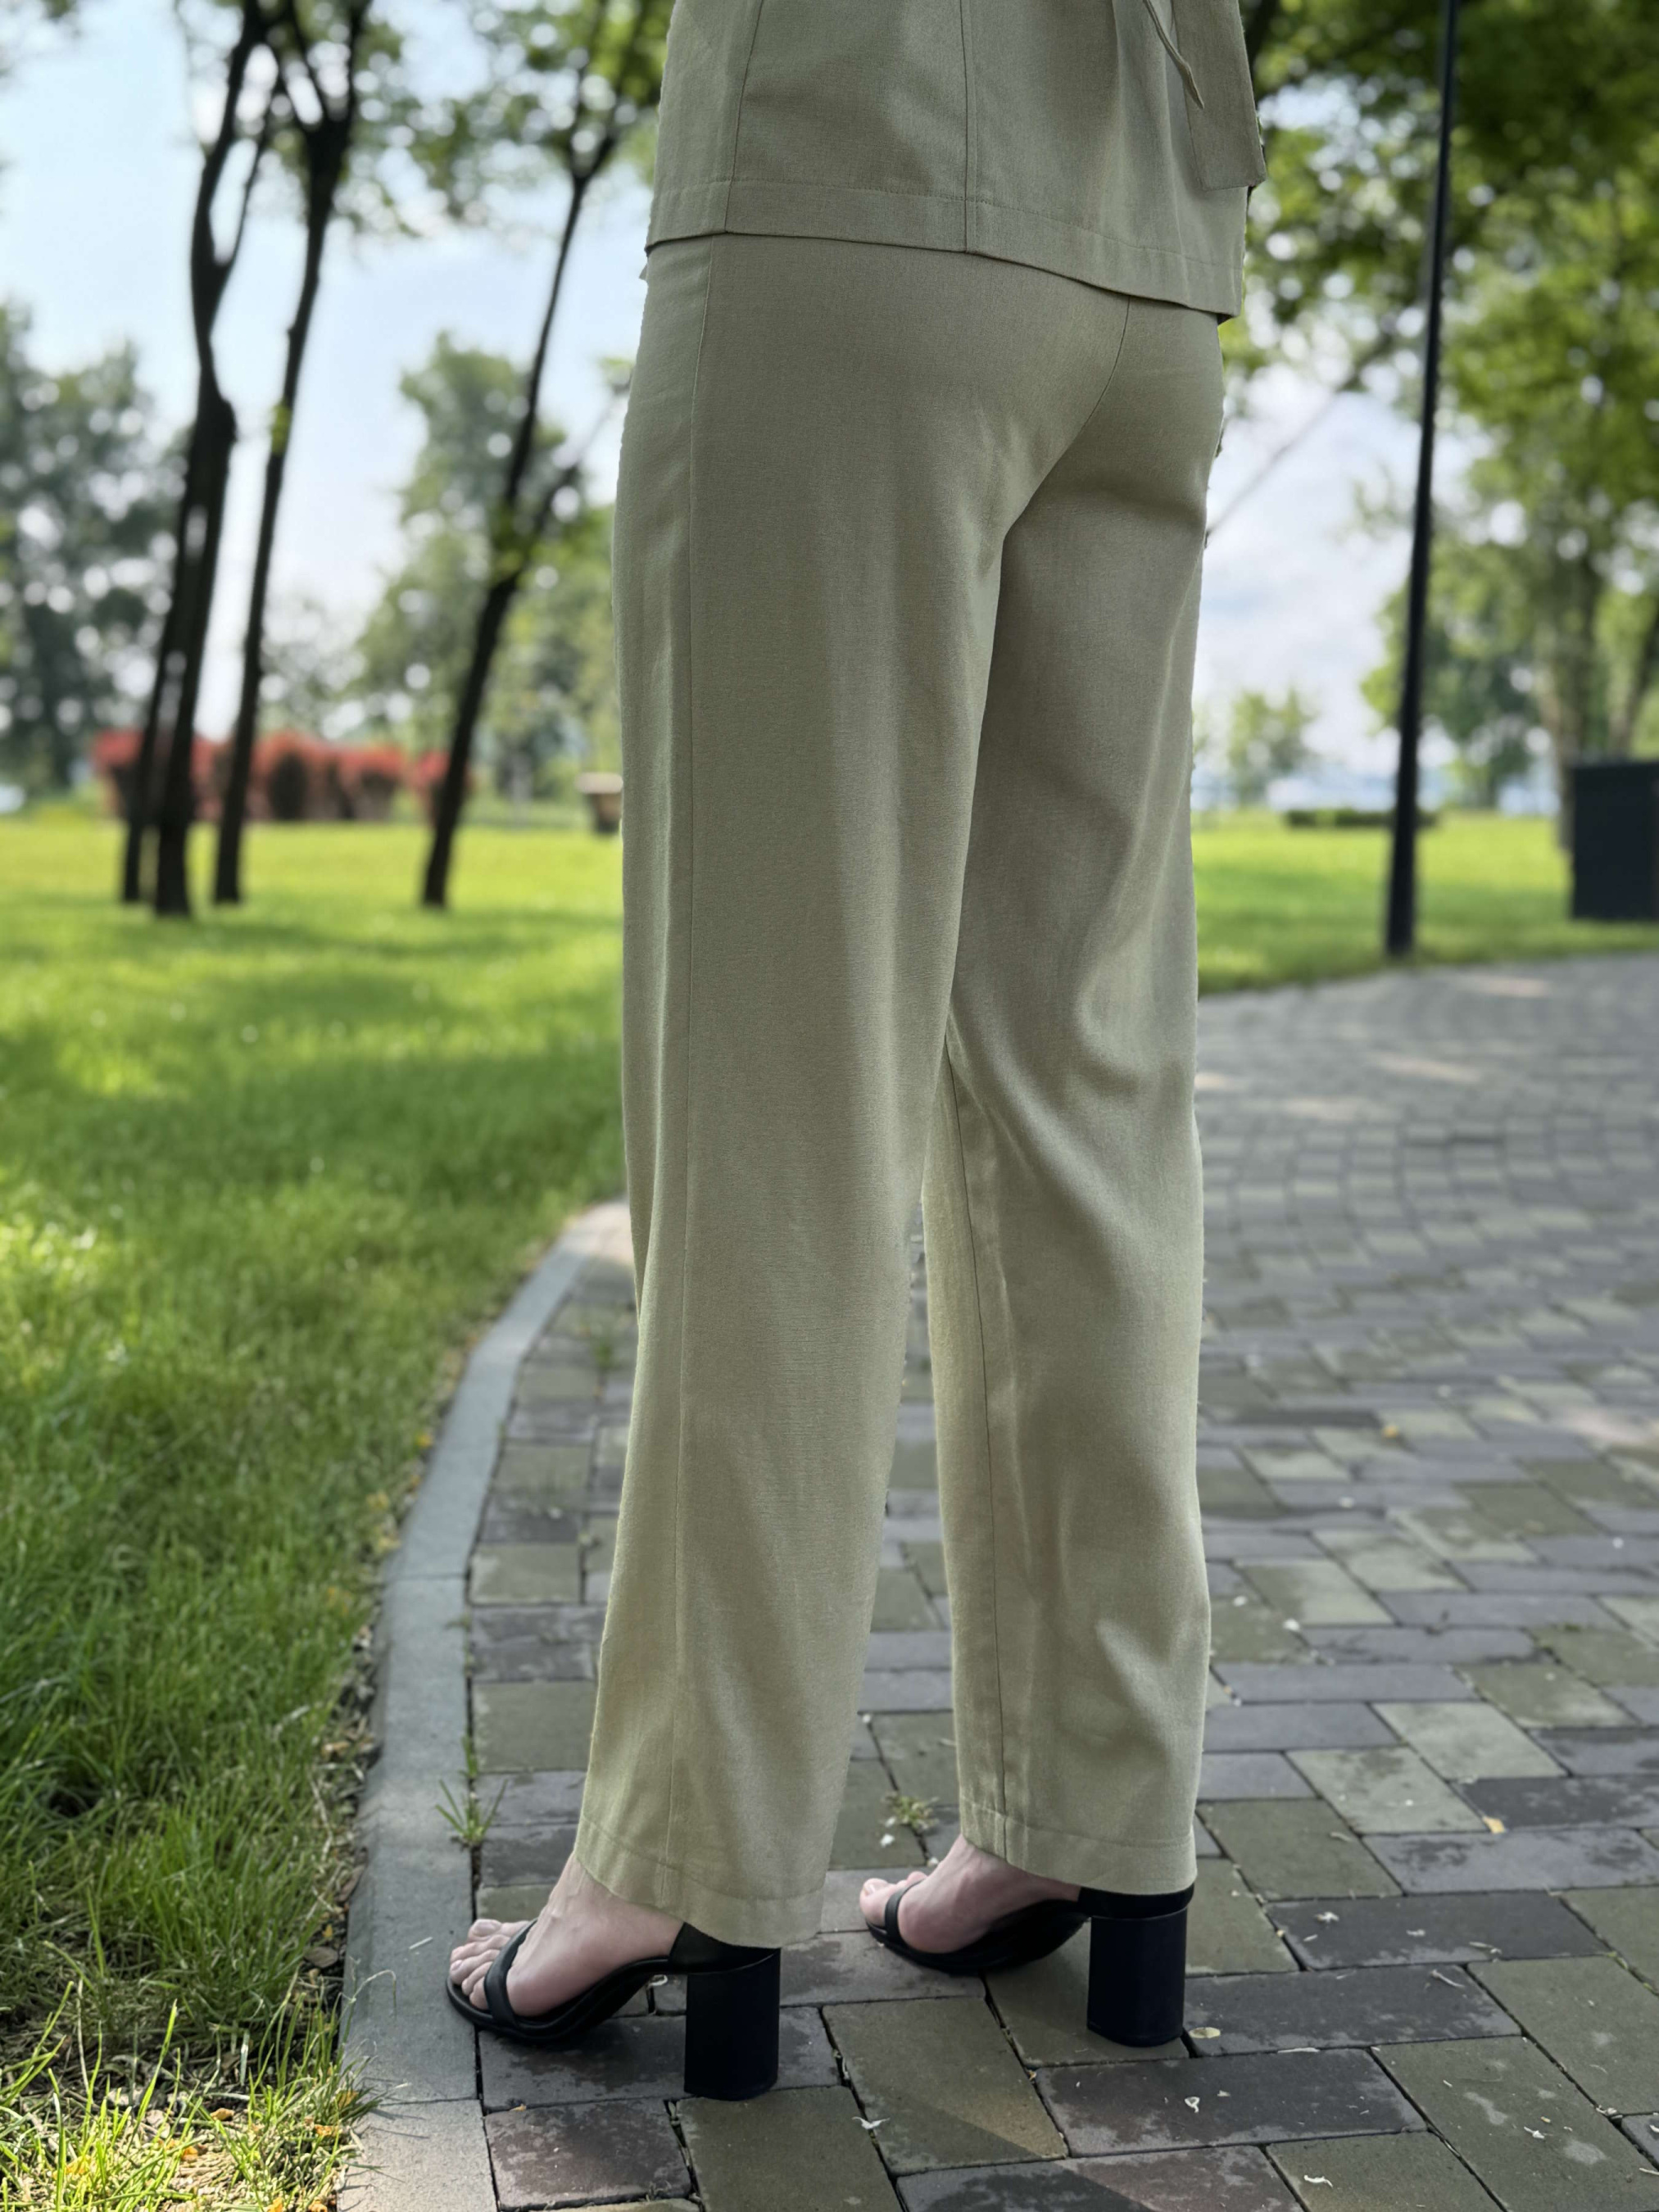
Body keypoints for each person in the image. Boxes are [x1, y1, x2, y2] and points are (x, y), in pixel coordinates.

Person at [449, 0, 1266, 2098]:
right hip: (1146, 246)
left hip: (848, 163)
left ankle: (682, 1861)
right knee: (1084, 1091)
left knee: (771, 1087)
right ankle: (1091, 1814)